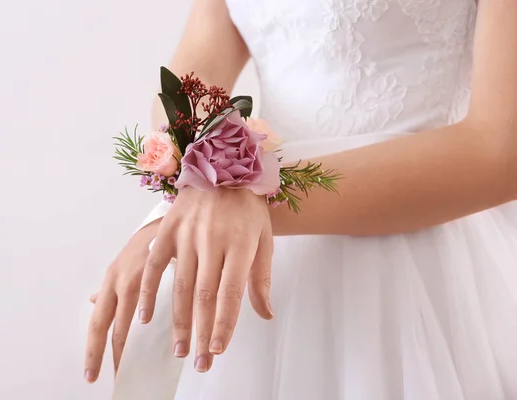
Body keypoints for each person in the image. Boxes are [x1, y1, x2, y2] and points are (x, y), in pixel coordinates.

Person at [86, 0, 517, 398]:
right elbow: (187, 85)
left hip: (415, 266)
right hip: (265, 267)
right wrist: (202, 191)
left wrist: (253, 196)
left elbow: (501, 152)